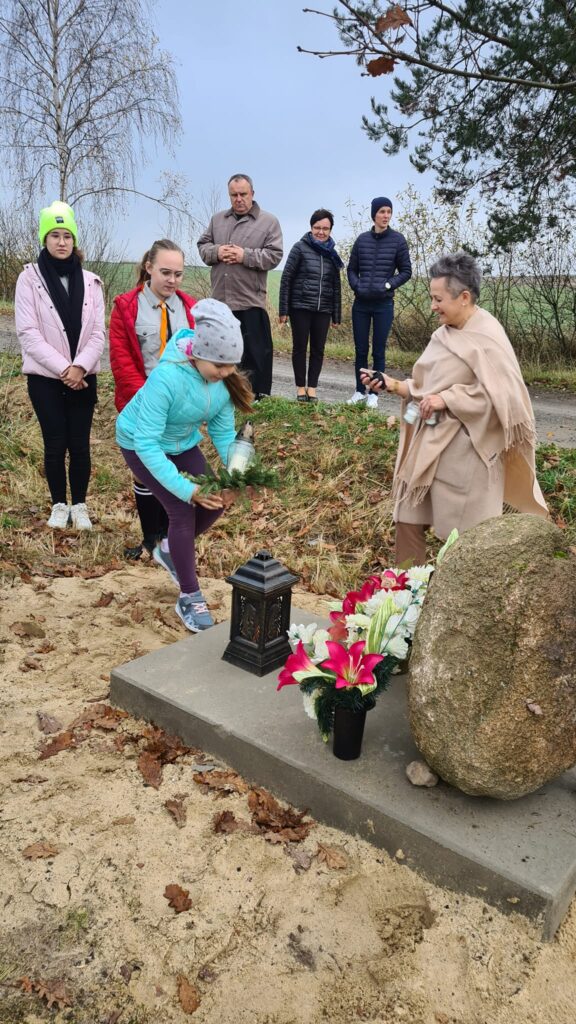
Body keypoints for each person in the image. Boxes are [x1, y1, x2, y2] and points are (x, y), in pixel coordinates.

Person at [361, 251, 548, 566]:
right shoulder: (442, 335)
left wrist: (450, 399)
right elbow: (424, 388)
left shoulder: (489, 336)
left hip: (468, 455)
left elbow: (505, 397)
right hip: (428, 442)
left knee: (464, 543)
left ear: (464, 297)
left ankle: (453, 595)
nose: (432, 306)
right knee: (407, 518)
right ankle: (406, 587)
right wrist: (392, 385)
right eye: (431, 298)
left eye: (438, 299)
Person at [115, 298, 253, 632]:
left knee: (216, 500)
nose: (226, 373)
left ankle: (168, 549)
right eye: (219, 365)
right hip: (139, 442)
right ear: (198, 353)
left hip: (182, 443)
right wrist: (186, 489)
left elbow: (222, 433)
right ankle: (189, 596)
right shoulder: (166, 378)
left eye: (231, 365)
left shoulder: (221, 383)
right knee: (181, 510)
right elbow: (147, 443)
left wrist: (237, 475)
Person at [15, 200, 105, 530]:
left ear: (74, 239)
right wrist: (64, 370)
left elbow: (98, 333)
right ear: (44, 239)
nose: (61, 242)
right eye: (54, 235)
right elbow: (28, 333)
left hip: (84, 377)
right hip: (46, 379)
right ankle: (58, 504)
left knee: (79, 445)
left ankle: (79, 505)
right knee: (55, 443)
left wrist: (80, 367)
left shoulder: (92, 282)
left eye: (67, 235)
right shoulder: (29, 279)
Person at [109, 239, 196, 560]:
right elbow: (122, 362)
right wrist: (150, 404)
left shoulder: (190, 308)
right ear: (149, 268)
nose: (172, 280)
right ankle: (150, 540)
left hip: (179, 408)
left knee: (169, 469)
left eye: (178, 274)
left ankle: (168, 540)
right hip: (141, 403)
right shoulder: (126, 307)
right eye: (165, 273)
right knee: (144, 470)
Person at [197, 174, 283, 400]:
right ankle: (224, 396)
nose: (238, 199)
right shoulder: (217, 220)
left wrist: (244, 255)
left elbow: (274, 256)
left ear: (252, 193)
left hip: (250, 300)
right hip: (221, 301)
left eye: (243, 194)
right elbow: (203, 246)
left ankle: (258, 397)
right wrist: (217, 252)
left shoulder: (268, 221)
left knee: (255, 354)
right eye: (233, 195)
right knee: (222, 354)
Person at [347, 196, 412, 409]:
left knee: (378, 350)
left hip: (384, 304)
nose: (386, 216)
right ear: (374, 214)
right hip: (361, 304)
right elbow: (351, 269)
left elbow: (406, 271)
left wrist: (388, 285)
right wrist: (357, 286)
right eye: (382, 211)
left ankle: (374, 393)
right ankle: (359, 391)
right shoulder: (362, 240)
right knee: (360, 349)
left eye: (389, 212)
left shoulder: (398, 240)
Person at [278, 208, 343, 402]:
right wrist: (283, 310)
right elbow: (286, 278)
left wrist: (336, 315)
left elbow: (336, 286)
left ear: (330, 230)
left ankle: (312, 388)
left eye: (325, 228)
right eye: (317, 227)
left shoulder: (332, 254)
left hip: (324, 309)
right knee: (299, 347)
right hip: (300, 307)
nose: (321, 232)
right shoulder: (299, 248)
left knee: (318, 350)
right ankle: (300, 387)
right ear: (311, 227)